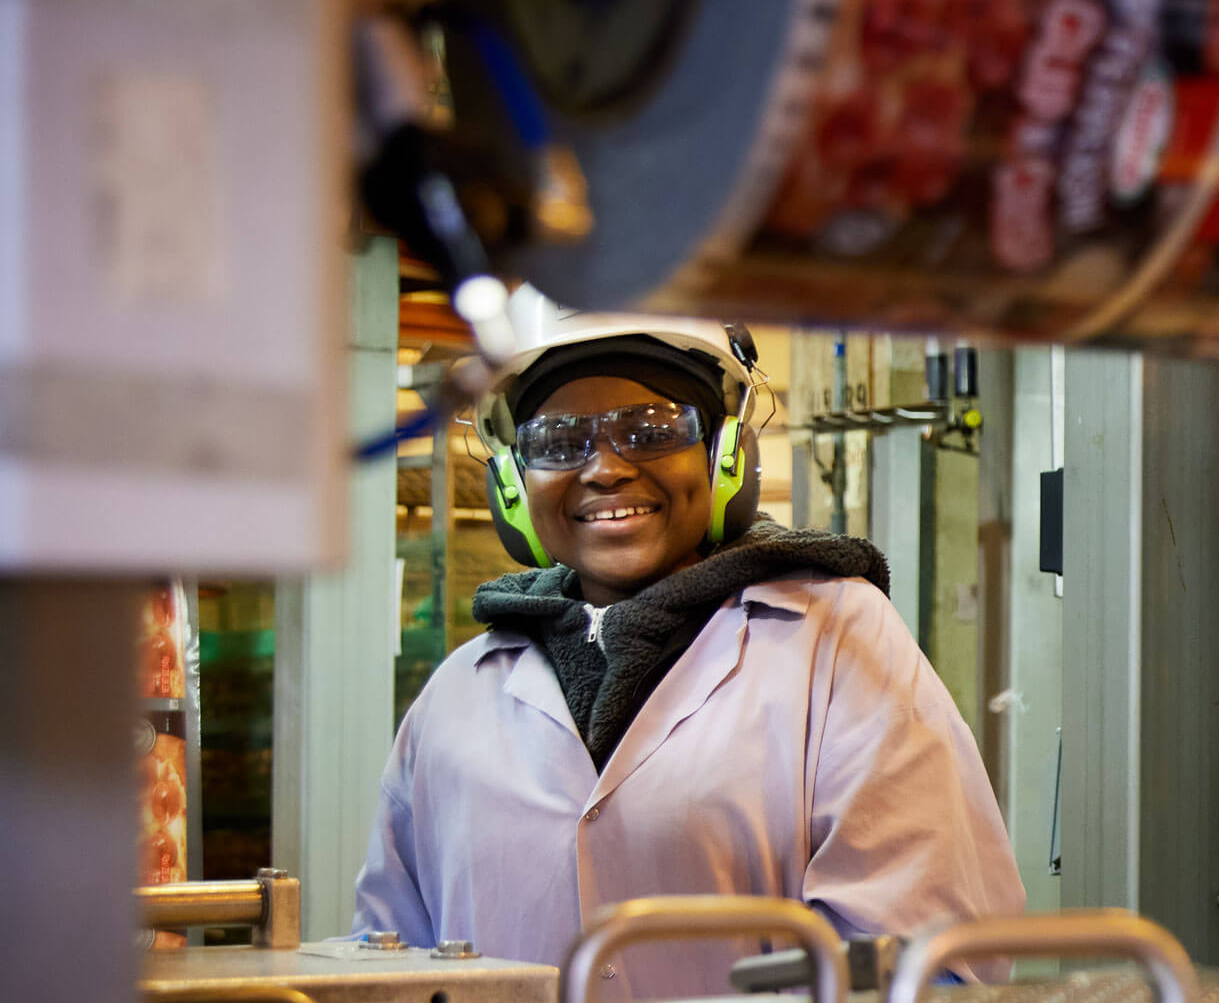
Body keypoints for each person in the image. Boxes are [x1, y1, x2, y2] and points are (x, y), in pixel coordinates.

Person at [350, 302, 1024, 997]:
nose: (604, 469)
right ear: (515, 480)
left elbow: (923, 956)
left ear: (725, 454)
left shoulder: (837, 640)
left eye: (650, 430)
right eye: (558, 439)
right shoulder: (460, 692)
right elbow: (388, 957)